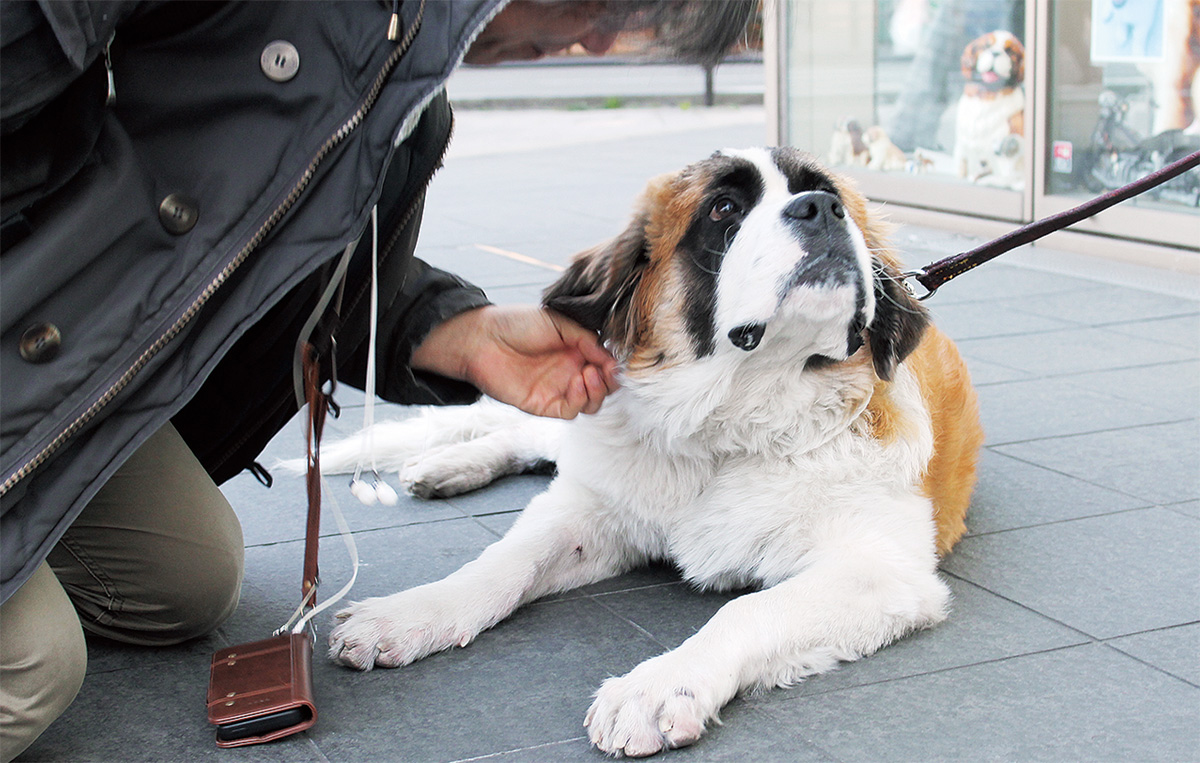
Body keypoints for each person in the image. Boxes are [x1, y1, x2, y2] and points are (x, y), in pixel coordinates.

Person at [0, 0, 754, 758]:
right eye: (600, 7)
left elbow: (273, 248)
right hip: (27, 326)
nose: (594, 41)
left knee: (184, 579)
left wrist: (453, 332)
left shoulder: (403, 87)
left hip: (44, 344)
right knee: (36, 664)